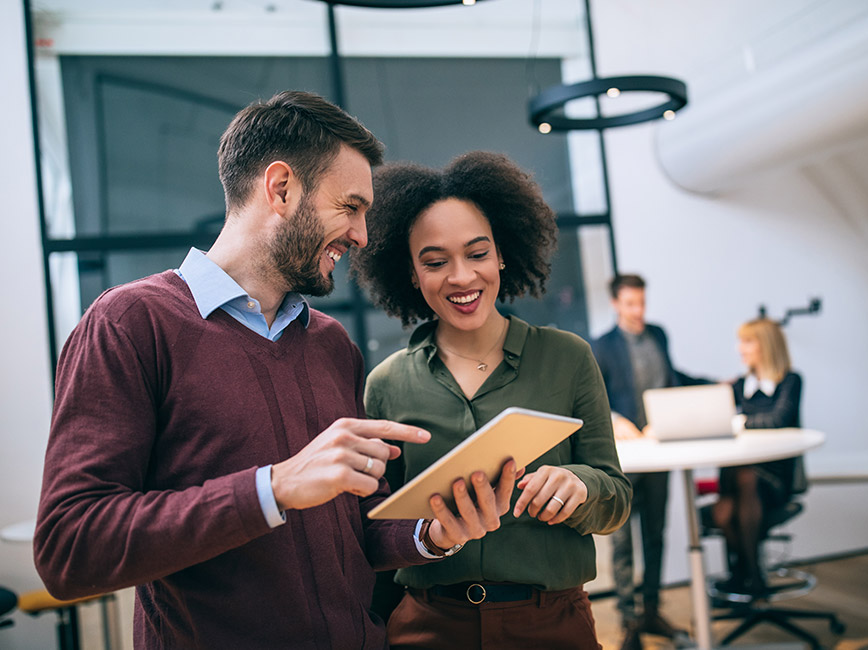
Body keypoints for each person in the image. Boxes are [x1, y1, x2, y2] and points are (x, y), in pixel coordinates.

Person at [33, 91, 515, 650]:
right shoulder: (131, 323)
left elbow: (357, 527)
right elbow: (70, 548)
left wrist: (431, 534)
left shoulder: (332, 343)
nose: (361, 235)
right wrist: (274, 487)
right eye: (351, 207)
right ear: (281, 188)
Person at [350, 151, 632, 650]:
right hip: (429, 627)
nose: (461, 278)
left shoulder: (567, 359)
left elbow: (616, 498)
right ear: (411, 273)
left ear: (502, 254)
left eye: (477, 254)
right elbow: (375, 533)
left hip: (553, 625)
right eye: (435, 262)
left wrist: (580, 485)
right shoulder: (386, 384)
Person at [591, 274, 707, 648]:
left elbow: (671, 380)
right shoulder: (602, 346)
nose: (638, 311)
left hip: (659, 451)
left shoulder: (658, 335)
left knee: (655, 534)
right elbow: (593, 397)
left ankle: (652, 608)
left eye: (641, 303)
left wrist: (713, 385)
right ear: (615, 304)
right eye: (630, 304)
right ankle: (629, 620)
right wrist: (612, 418)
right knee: (622, 540)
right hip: (624, 458)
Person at [711, 318, 803, 597]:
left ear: (767, 346)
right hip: (739, 480)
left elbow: (779, 418)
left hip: (774, 480)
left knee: (743, 482)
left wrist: (738, 422)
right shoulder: (739, 385)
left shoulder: (790, 381)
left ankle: (745, 576)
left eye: (748, 341)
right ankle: (753, 576)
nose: (741, 348)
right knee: (726, 507)